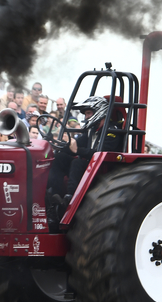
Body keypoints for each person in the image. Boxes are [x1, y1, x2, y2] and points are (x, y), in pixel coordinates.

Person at [46, 96, 124, 230]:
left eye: (89, 113)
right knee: (61, 158)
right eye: (86, 114)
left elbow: (102, 153)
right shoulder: (91, 131)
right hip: (89, 168)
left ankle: (69, 200)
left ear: (99, 112)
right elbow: (75, 147)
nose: (86, 117)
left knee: (77, 163)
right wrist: (58, 144)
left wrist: (78, 150)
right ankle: (54, 197)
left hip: (104, 171)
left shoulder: (112, 130)